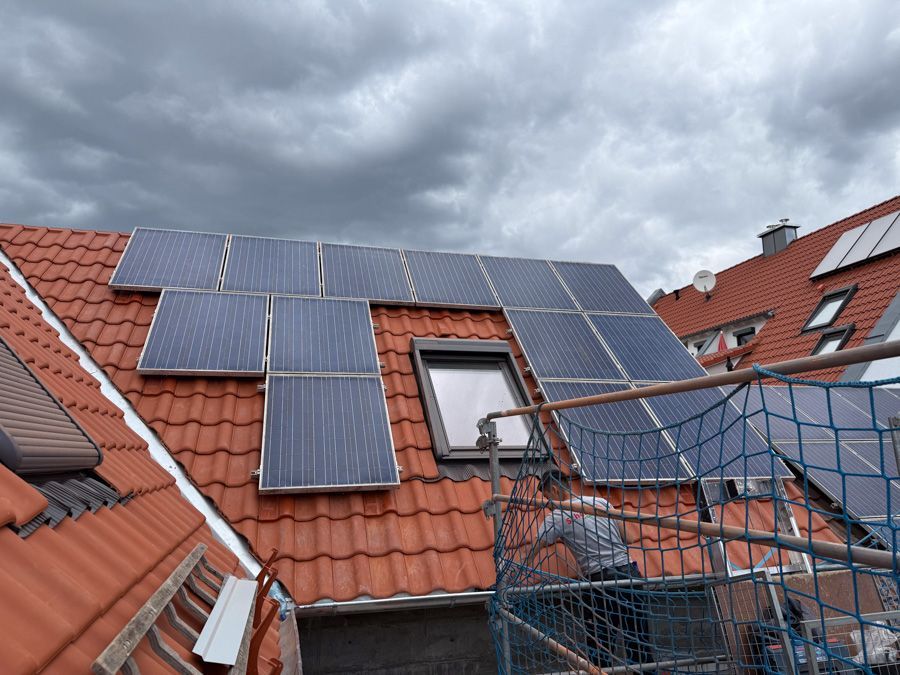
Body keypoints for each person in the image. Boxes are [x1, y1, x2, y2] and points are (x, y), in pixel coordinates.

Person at [532, 467, 653, 668]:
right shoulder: (601, 502)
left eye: (548, 499)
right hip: (630, 575)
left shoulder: (557, 517)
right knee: (639, 643)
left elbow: (534, 549)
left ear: (554, 490)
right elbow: (630, 538)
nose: (549, 506)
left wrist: (509, 575)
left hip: (601, 584)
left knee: (600, 648)